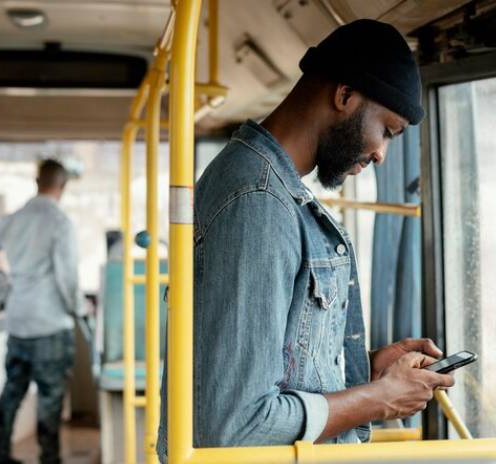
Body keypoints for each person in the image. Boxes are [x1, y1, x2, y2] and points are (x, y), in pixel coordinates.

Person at [157, 19, 453, 456]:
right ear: (345, 95)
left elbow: (272, 368)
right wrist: (377, 399)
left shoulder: (269, 188)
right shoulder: (257, 201)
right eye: (387, 131)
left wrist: (366, 372)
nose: (381, 154)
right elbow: (236, 425)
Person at [0, 159, 83, 464]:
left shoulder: (13, 219)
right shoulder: (60, 222)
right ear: (62, 186)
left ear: (37, 182)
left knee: (12, 392)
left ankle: (1, 455)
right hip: (50, 323)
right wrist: (77, 308)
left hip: (18, 319)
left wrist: (1, 291)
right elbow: (67, 276)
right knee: (50, 400)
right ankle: (49, 459)